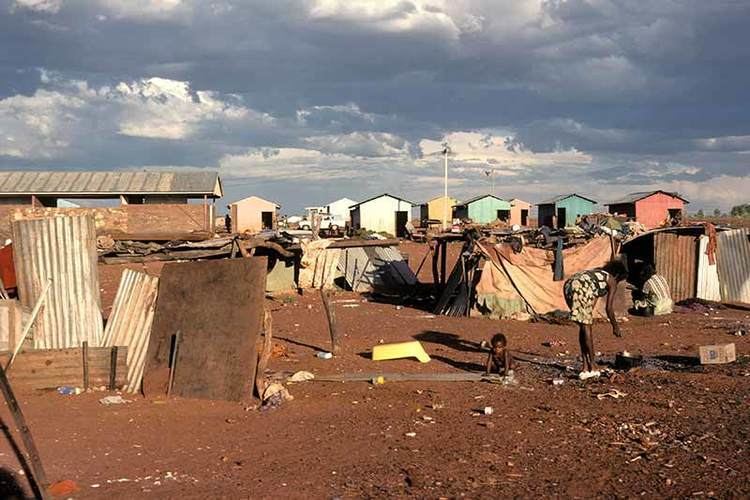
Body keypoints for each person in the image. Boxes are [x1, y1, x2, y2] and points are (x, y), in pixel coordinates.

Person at [563, 259, 629, 378]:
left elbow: (590, 306)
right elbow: (609, 308)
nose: (617, 283)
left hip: (569, 285)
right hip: (581, 288)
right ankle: (593, 365)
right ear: (617, 275)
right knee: (587, 328)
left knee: (583, 326)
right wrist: (615, 326)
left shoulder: (596, 274)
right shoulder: (611, 280)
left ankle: (585, 366)